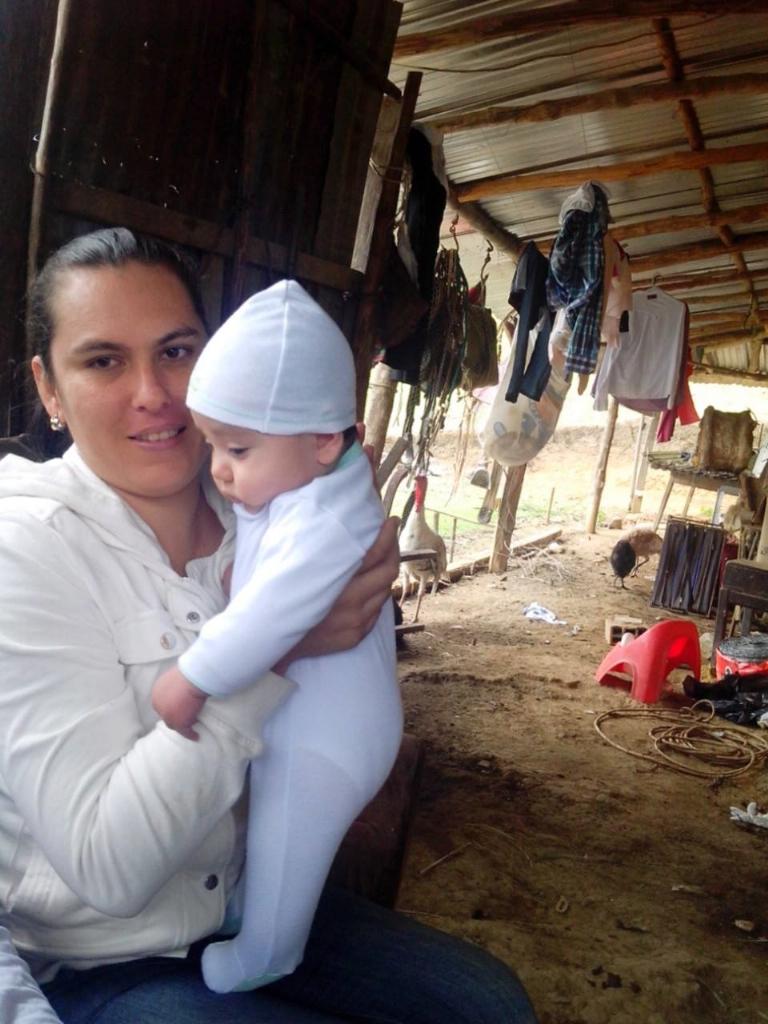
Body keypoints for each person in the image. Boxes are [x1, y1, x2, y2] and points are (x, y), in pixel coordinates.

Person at [0, 226, 538, 1024]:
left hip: (241, 901)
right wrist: (280, 650)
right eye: (103, 361)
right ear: (49, 389)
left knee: (490, 1006)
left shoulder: (264, 504)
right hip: (101, 954)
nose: (154, 393)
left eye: (176, 351)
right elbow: (107, 870)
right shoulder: (26, 549)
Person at [151, 279, 404, 993]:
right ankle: (247, 914)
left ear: (324, 441)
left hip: (326, 737)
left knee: (288, 838)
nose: (218, 469)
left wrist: (191, 677)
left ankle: (266, 954)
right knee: (271, 841)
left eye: (236, 449)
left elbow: (267, 617)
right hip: (308, 715)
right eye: (211, 444)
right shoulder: (307, 482)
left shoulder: (325, 519)